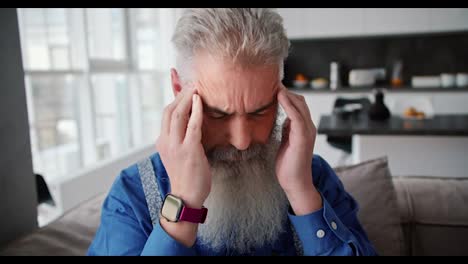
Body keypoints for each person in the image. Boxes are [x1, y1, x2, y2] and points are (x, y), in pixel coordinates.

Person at [87, 8, 377, 256]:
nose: (242, 141)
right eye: (218, 114)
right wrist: (184, 204)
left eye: (260, 111)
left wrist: (301, 193)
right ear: (179, 91)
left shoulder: (312, 178)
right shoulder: (132, 195)